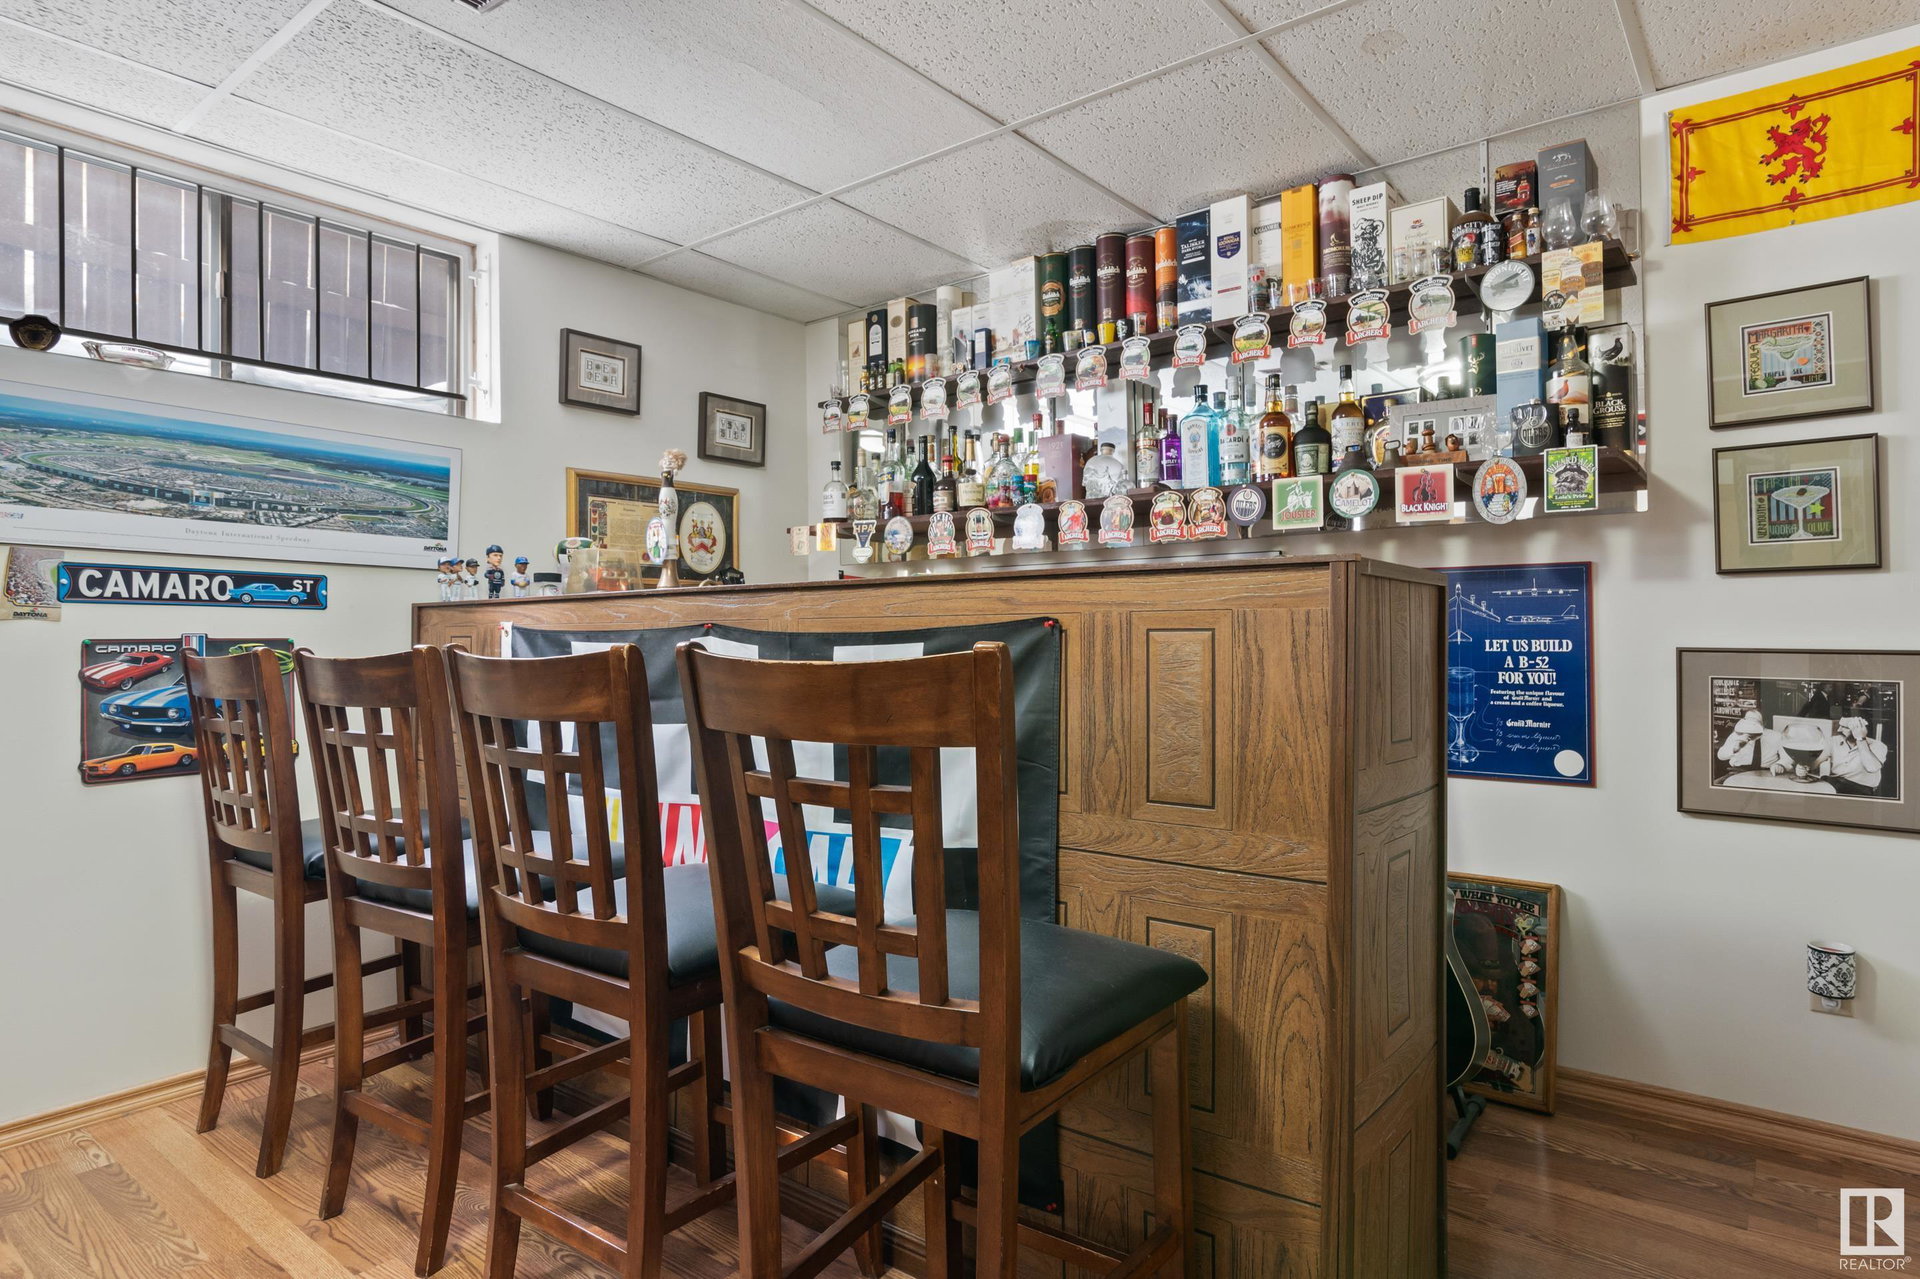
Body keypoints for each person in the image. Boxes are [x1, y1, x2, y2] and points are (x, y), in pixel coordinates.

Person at [1827, 717, 1890, 796]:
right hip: (1836, 781)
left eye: (1845, 727)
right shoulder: (1836, 740)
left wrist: (1860, 739)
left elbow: (1872, 767)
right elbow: (1820, 759)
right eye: (1840, 726)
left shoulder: (1878, 746)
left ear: (1859, 729)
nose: (1839, 730)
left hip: (1859, 788)